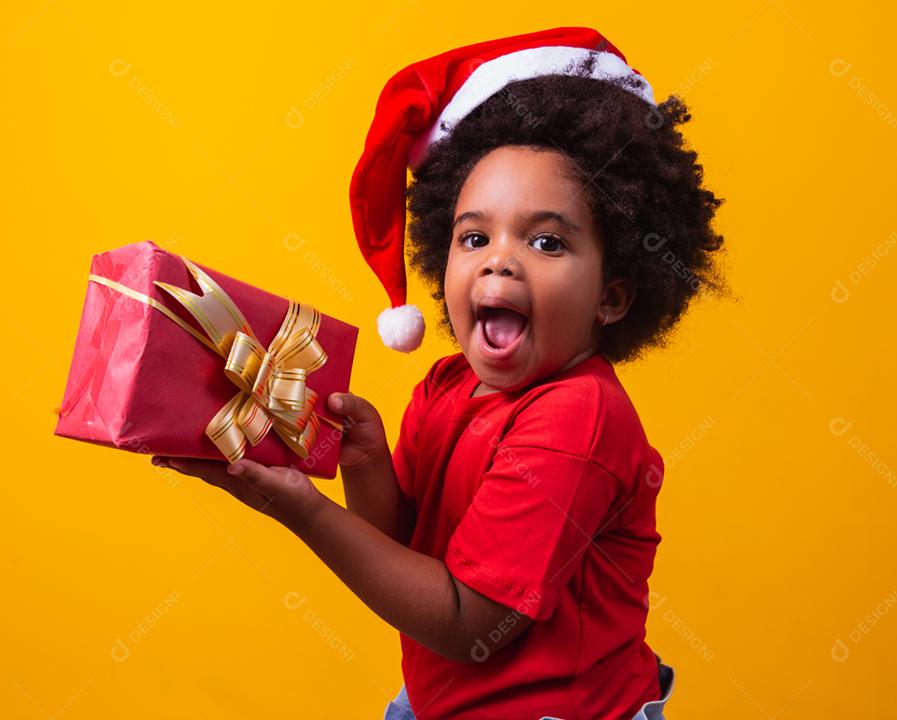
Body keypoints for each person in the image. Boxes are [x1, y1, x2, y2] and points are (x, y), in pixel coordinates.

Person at [153, 26, 728, 719]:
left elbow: (465, 624)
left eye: (546, 240)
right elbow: (404, 546)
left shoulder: (577, 417)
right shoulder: (448, 385)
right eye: (474, 237)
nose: (499, 260)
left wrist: (299, 508)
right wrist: (366, 466)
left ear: (612, 294)